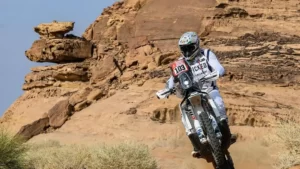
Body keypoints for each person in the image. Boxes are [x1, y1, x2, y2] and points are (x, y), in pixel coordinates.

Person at [156, 32, 234, 158]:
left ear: (197, 45)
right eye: (184, 49)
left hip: (208, 89)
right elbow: (172, 79)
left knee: (219, 104)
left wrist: (218, 72)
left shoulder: (207, 54)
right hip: (189, 93)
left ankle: (227, 134)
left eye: (190, 48)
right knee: (183, 112)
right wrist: (166, 90)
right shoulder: (180, 63)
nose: (187, 51)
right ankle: (196, 144)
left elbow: (218, 67)